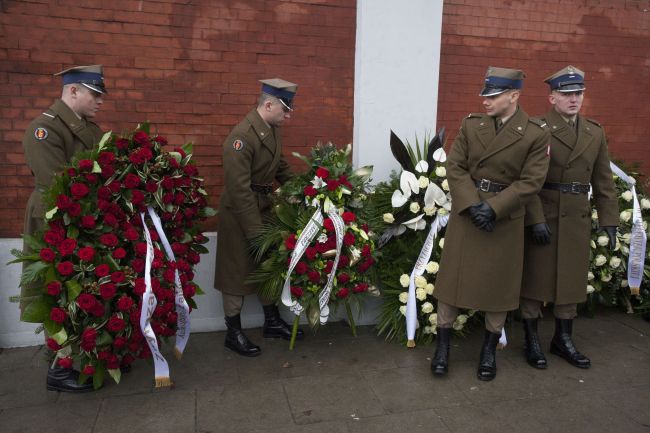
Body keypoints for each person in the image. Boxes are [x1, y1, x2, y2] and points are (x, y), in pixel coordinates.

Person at [431, 66, 550, 381]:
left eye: (493, 95)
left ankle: (488, 349)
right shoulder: (472, 125)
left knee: (499, 288)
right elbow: (455, 166)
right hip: (469, 215)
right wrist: (472, 205)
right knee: (452, 284)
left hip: (504, 219)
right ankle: (442, 347)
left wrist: (494, 208)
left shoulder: (536, 132)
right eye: (484, 94)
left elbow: (531, 181)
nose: (485, 100)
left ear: (514, 96)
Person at [520, 66, 618, 370]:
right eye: (566, 94)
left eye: (578, 93)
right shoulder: (537, 128)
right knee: (536, 281)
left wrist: (609, 221)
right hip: (546, 213)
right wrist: (535, 219)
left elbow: (603, 180)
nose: (573, 99)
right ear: (552, 98)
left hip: (577, 215)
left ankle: (562, 339)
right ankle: (532, 341)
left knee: (571, 283)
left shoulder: (594, 131)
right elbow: (527, 180)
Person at [22, 65, 107, 392]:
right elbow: (59, 184)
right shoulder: (45, 128)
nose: (99, 101)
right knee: (56, 289)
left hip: (83, 217)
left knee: (82, 287)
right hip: (53, 218)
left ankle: (82, 357)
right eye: (94, 94)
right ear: (73, 90)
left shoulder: (87, 128)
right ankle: (60, 367)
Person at [215, 78, 304, 357]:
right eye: (285, 110)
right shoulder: (241, 138)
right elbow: (239, 190)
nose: (288, 116)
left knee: (267, 266)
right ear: (268, 104)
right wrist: (255, 232)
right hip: (239, 214)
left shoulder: (270, 130)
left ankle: (272, 321)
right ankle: (233, 332)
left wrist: (310, 190)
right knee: (236, 272)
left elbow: (281, 167)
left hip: (262, 208)